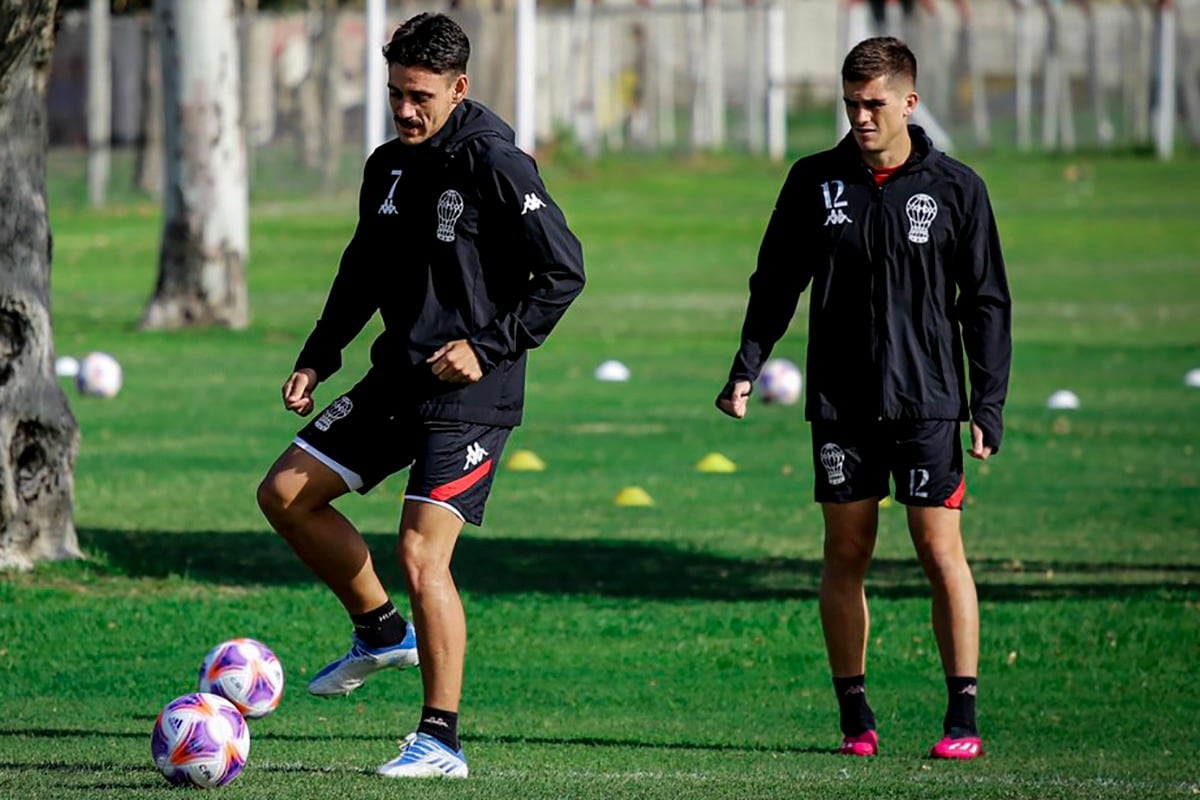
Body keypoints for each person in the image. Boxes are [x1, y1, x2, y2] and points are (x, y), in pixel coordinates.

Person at [256, 12, 585, 779]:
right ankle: (379, 632)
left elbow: (564, 273)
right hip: (398, 378)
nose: (406, 109)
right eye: (397, 92)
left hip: (476, 394)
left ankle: (441, 741)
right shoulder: (388, 165)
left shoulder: (498, 163)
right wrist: (318, 355)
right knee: (284, 495)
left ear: (459, 88)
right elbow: (362, 269)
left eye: (422, 96)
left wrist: (487, 346)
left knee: (419, 551)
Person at [716, 36, 1010, 760]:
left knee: (940, 552)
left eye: (875, 104)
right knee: (845, 550)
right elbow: (776, 279)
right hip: (842, 402)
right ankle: (855, 715)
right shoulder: (815, 181)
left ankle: (962, 715)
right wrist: (748, 363)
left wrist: (989, 403)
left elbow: (986, 303)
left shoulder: (956, 189)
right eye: (851, 104)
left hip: (929, 402)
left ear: (910, 101)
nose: (861, 117)